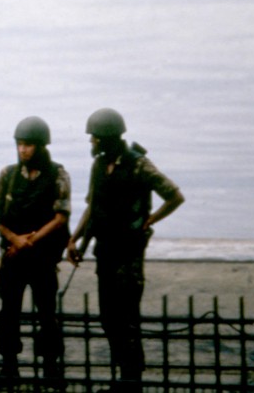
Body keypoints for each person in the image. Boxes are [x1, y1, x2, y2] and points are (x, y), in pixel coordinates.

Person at [67, 108, 184, 392]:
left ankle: (132, 381)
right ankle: (124, 377)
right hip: (105, 251)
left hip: (129, 254)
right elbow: (93, 207)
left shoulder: (139, 164)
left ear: (107, 137)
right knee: (109, 318)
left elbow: (174, 195)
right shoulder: (99, 166)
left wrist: (150, 220)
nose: (91, 143)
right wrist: (74, 239)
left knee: (127, 320)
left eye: (94, 138)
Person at [0, 116, 70, 381]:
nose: (23, 150)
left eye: (28, 145)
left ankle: (50, 367)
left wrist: (29, 241)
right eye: (20, 145)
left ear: (41, 146)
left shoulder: (58, 174)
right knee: (8, 312)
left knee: (47, 313)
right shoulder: (8, 175)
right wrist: (13, 238)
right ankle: (9, 365)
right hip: (13, 256)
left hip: (43, 257)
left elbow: (61, 217)